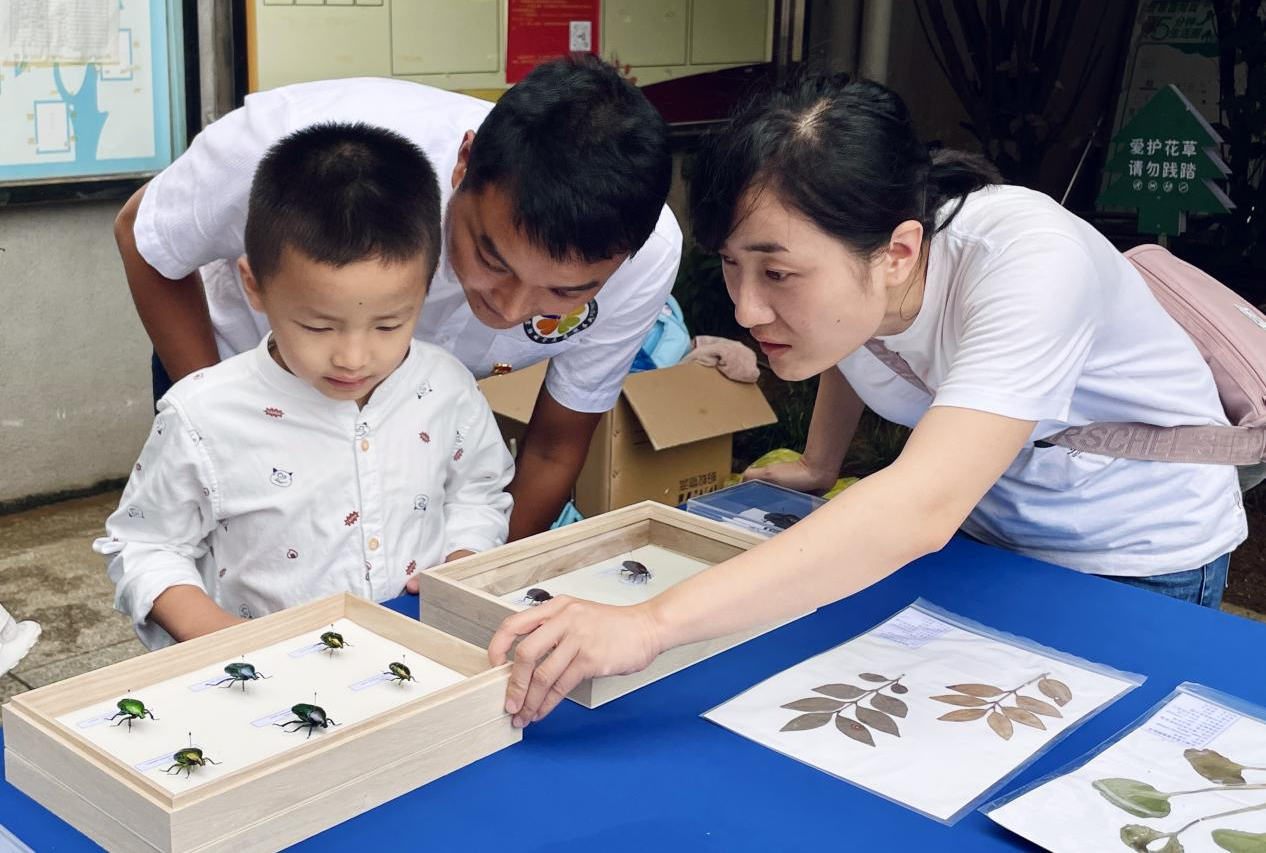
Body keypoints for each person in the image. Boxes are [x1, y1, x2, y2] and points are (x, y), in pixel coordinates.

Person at [487, 74, 1248, 727]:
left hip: (1136, 551)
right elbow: (852, 347)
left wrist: (651, 624)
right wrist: (821, 464)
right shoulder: (862, 284)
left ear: (898, 252)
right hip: (993, 534)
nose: (747, 310)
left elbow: (919, 507)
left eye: (778, 275)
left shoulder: (1030, 266)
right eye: (730, 266)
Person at [113, 55, 680, 541]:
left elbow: (555, 449)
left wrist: (474, 590)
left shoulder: (647, 260)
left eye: (565, 293)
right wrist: (225, 415)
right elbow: (146, 236)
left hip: (413, 415)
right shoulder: (301, 146)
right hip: (237, 363)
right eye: (491, 259)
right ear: (464, 163)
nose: (509, 310)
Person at [96, 123, 513, 649]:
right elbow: (144, 545)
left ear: (426, 287)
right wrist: (216, 637)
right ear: (255, 286)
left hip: (416, 656)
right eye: (318, 326)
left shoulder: (447, 388)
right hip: (264, 684)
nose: (353, 357)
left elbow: (478, 492)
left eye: (389, 324)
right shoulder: (202, 415)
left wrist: (464, 560)